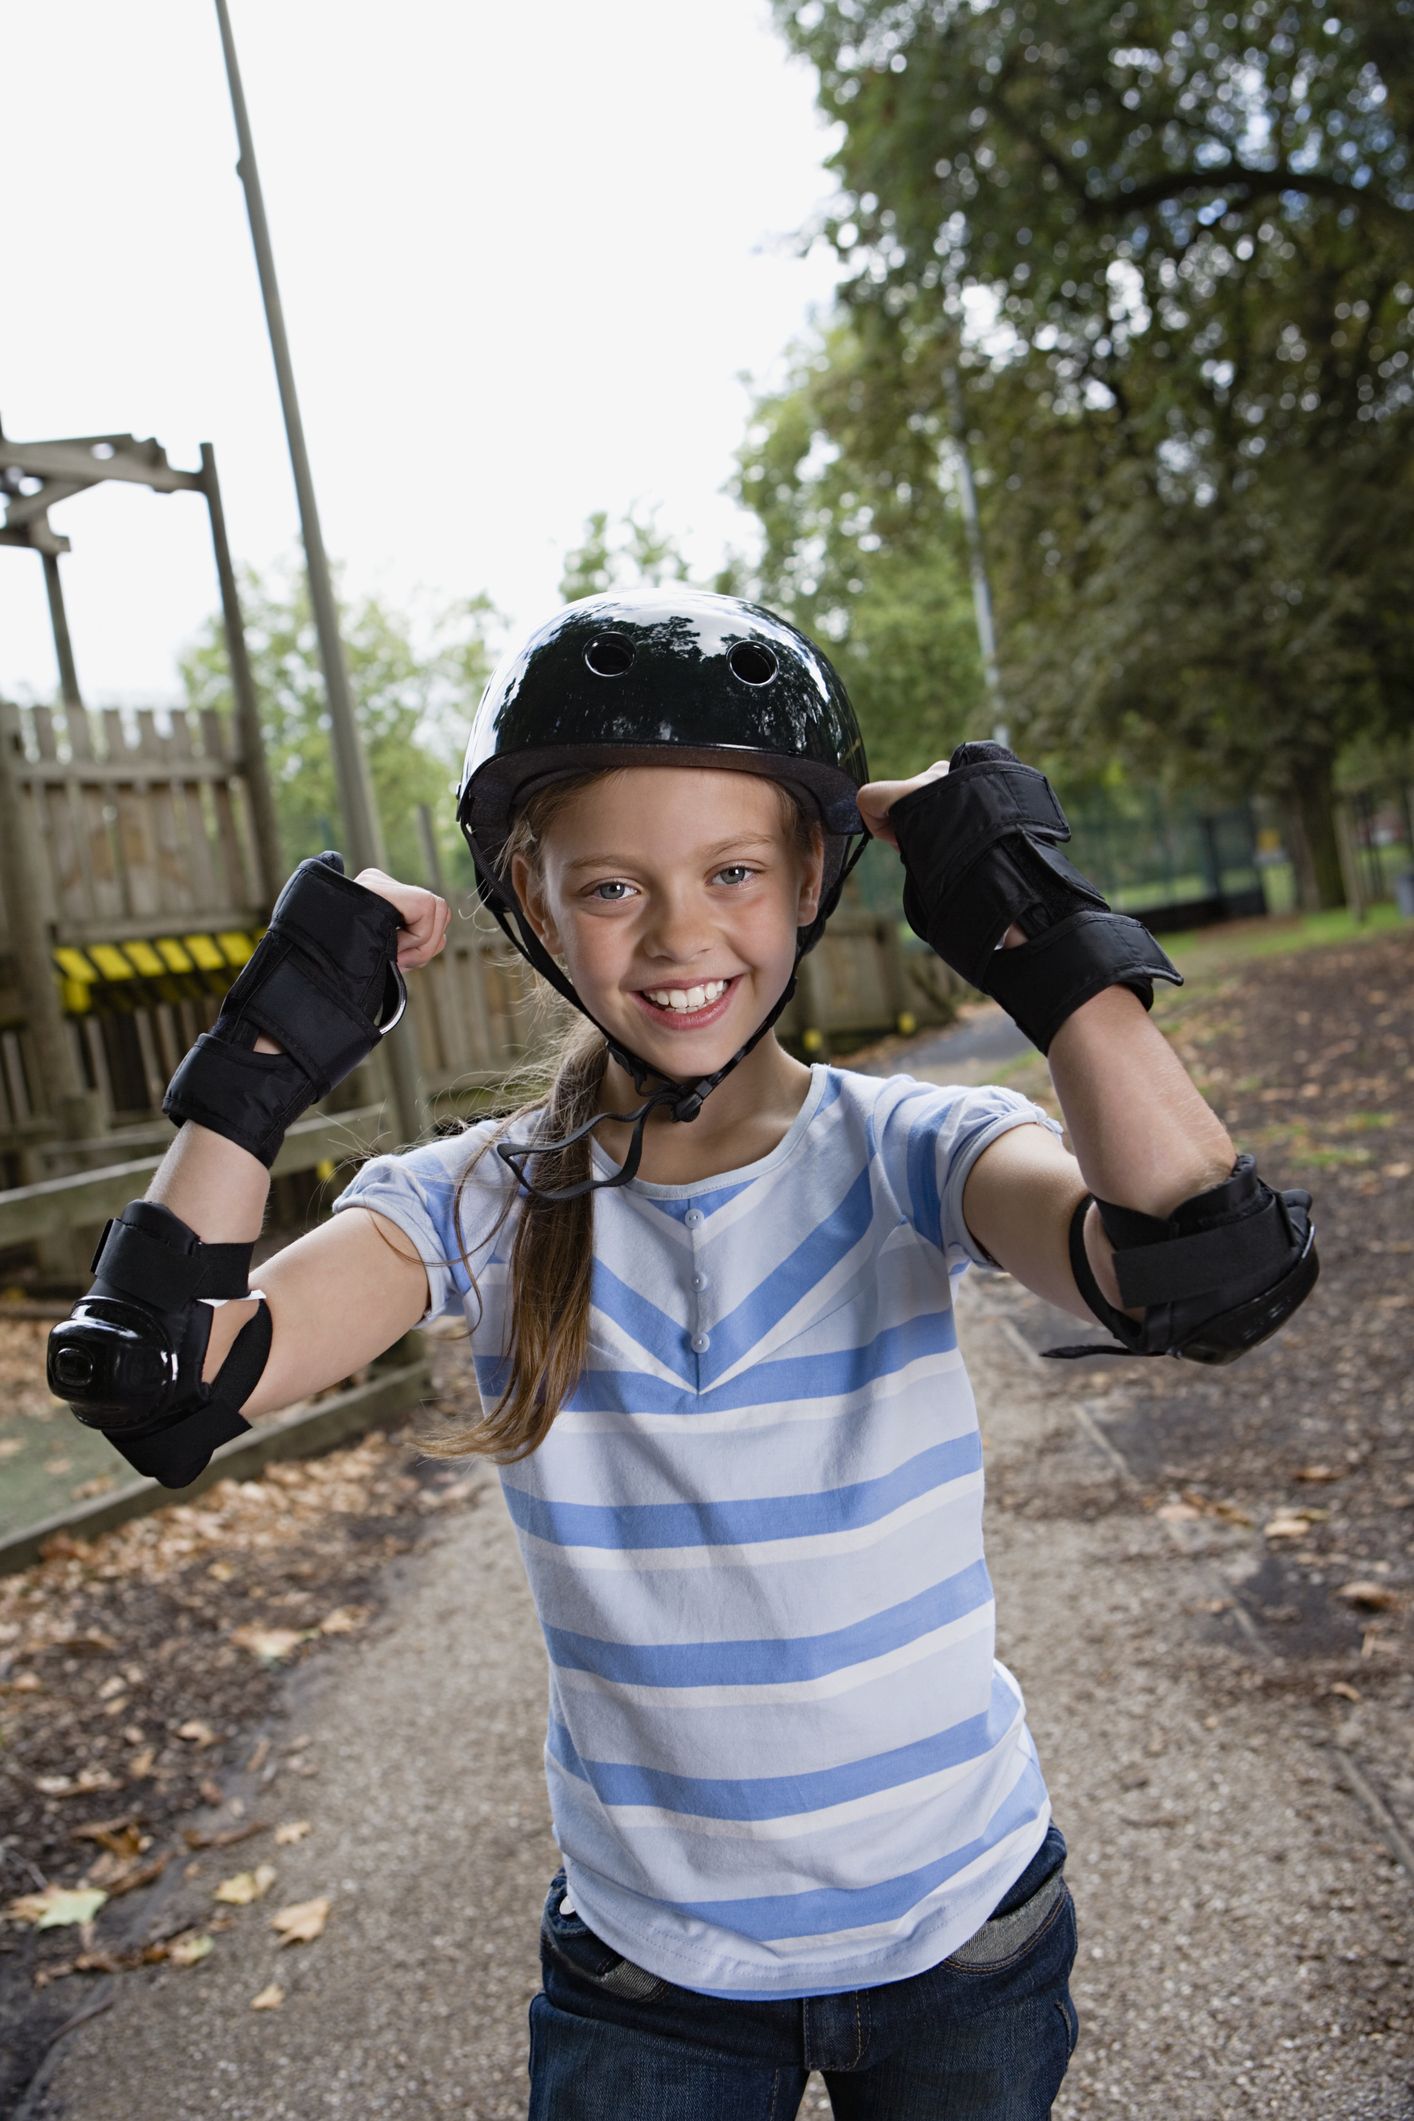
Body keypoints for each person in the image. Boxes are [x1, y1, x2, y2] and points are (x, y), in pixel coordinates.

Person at [46, 588, 1318, 2119]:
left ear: (806, 884)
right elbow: (166, 1377)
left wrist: (1037, 930)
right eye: (609, 886)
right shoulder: (475, 1200)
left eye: (731, 871)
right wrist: (266, 1052)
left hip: (960, 1934)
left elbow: (1201, 1265)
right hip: (653, 1982)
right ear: (529, 893)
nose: (677, 936)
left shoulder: (914, 1146)